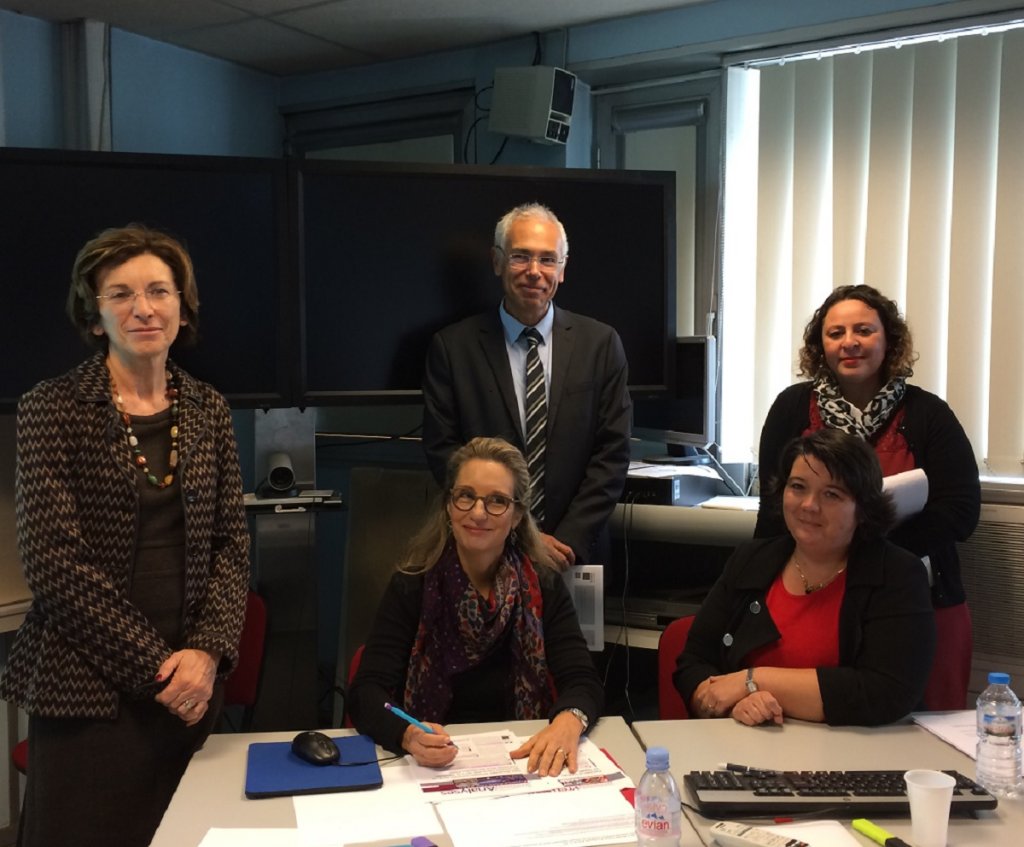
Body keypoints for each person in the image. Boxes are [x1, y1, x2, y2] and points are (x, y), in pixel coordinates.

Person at [0, 225, 250, 847]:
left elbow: (231, 546)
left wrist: (207, 654)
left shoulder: (208, 408)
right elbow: (53, 562)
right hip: (90, 691)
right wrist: (160, 670)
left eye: (159, 291)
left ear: (181, 307)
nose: (143, 308)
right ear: (94, 316)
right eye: (121, 294)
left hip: (192, 689)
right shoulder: (51, 408)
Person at [754, 284, 980, 711]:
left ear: (888, 339)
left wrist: (870, 551)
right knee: (832, 722)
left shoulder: (928, 414)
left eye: (864, 330)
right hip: (814, 599)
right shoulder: (792, 408)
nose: (850, 342)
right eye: (835, 333)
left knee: (929, 732)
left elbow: (961, 511)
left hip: (920, 598)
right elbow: (772, 506)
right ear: (820, 345)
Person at [350, 437, 603, 775]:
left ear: (516, 516)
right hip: (431, 767)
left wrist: (568, 722)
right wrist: (407, 735)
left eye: (497, 501)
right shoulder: (413, 584)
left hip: (523, 761)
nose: (478, 513)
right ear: (449, 506)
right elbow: (367, 692)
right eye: (466, 496)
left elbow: (582, 680)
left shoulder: (543, 584)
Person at [676, 429, 935, 727]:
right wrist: (736, 703)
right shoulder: (751, 560)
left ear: (863, 509)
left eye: (831, 494)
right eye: (798, 487)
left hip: (857, 755)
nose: (809, 505)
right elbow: (692, 662)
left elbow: (884, 693)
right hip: (749, 748)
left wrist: (754, 680)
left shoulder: (898, 574)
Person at [421, 202, 632, 569]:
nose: (535, 272)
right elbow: (445, 454)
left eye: (548, 259)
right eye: (521, 256)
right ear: (497, 261)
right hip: (486, 550)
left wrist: (566, 541)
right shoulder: (453, 348)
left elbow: (612, 455)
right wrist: (521, 537)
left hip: (574, 555)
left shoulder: (601, 344)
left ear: (562, 269)